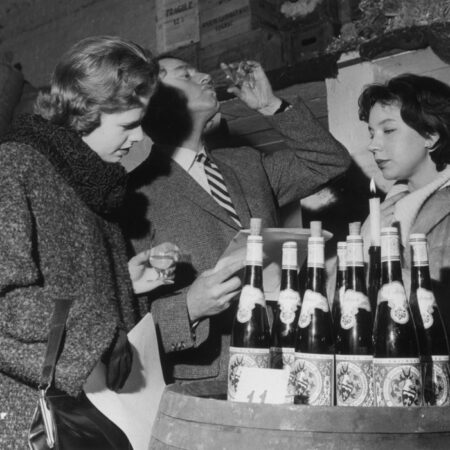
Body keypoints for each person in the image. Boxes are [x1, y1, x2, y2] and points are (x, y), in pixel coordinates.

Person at [125, 57, 352, 383]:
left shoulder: (247, 164)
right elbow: (129, 320)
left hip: (284, 363)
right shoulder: (134, 196)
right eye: (186, 74)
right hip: (207, 387)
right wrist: (190, 306)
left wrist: (270, 105)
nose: (205, 75)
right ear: (153, 100)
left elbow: (328, 161)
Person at [0, 35, 169, 449]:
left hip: (99, 417)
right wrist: (99, 332)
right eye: (128, 125)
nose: (138, 139)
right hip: (37, 421)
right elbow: (5, 299)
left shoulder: (95, 185)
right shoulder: (14, 166)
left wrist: (126, 286)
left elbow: (68, 286)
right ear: (84, 111)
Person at [359, 73, 450, 336]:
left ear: (430, 135)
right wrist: (363, 245)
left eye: (388, 130)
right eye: (371, 133)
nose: (373, 145)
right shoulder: (387, 209)